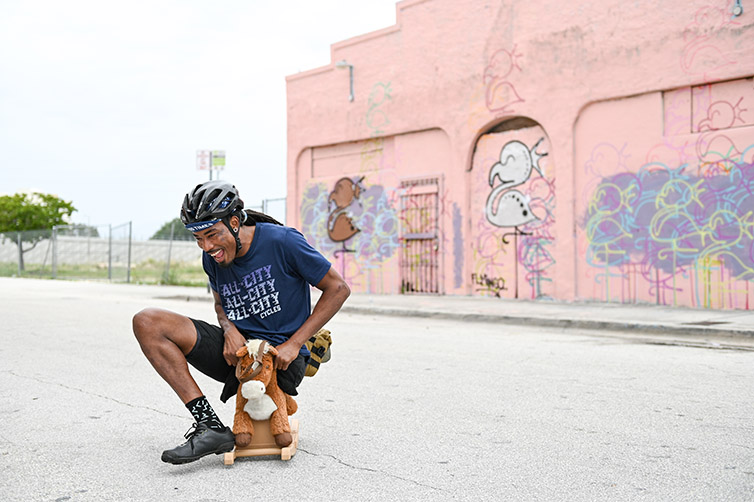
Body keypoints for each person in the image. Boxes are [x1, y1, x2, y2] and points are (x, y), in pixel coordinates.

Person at [132, 180, 350, 464]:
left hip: (281, 358)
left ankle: (312, 355)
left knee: (279, 362)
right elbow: (220, 303)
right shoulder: (212, 257)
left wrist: (295, 344)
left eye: (211, 234)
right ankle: (209, 426)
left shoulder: (283, 242)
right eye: (198, 238)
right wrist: (229, 329)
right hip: (238, 356)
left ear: (234, 222)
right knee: (147, 322)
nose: (206, 246)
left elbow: (338, 289)